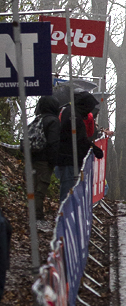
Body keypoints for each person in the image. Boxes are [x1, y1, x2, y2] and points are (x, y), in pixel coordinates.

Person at [55, 92, 103, 205]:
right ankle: (65, 217)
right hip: (69, 158)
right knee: (68, 190)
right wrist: (93, 148)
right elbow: (78, 138)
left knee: (70, 187)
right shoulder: (74, 116)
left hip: (69, 157)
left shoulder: (72, 113)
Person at [29, 95, 61, 223]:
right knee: (40, 189)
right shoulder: (53, 121)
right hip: (44, 160)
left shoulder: (38, 119)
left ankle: (33, 212)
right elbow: (53, 143)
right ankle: (37, 216)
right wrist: (53, 161)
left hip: (33, 158)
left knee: (34, 186)